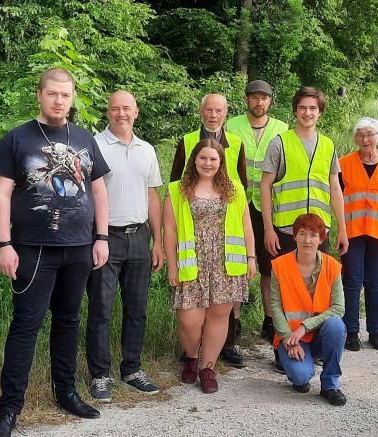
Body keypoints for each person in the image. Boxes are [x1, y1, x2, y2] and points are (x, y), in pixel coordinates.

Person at [0, 67, 110, 437]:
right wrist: (4, 244)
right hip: (32, 250)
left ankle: (66, 392)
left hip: (79, 248)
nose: (60, 101)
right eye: (53, 93)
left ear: (73, 99)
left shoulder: (85, 138)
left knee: (69, 322)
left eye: (66, 95)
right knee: (26, 327)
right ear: (39, 95)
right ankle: (9, 410)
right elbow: (1, 193)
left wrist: (101, 237)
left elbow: (100, 190)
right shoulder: (17, 139)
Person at [259, 86, 349, 372]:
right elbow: (265, 186)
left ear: (320, 113)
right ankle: (282, 344)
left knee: (314, 291)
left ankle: (316, 343)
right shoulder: (280, 143)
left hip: (317, 232)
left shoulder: (328, 145)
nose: (307, 113)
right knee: (285, 293)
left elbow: (335, 187)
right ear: (295, 110)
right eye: (302, 108)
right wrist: (268, 229)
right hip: (286, 230)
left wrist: (342, 229)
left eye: (313, 108)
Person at [85, 90, 163, 403]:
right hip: (105, 238)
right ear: (108, 112)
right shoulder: (94, 145)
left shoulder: (147, 149)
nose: (121, 114)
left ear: (136, 112)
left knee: (137, 309)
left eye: (127, 108)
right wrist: (95, 238)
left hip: (140, 237)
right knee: (101, 309)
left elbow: (153, 196)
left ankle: (131, 370)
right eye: (115, 109)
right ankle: (100, 375)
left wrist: (158, 241)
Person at [163, 139, 256, 394]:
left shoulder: (234, 189)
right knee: (189, 321)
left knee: (218, 317)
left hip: (226, 263)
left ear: (221, 162)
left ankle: (208, 368)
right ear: (194, 160)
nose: (208, 163)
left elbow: (246, 226)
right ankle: (192, 356)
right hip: (192, 261)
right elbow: (169, 230)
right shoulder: (177, 189)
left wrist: (251, 258)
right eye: (203, 158)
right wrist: (172, 266)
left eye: (213, 159)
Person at [170, 93, 249, 367]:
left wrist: (249, 254)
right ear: (201, 111)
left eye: (219, 110)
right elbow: (174, 182)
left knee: (220, 311)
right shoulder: (187, 140)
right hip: (193, 236)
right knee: (191, 314)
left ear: (226, 113)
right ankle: (191, 352)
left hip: (226, 236)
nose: (213, 115)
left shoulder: (237, 143)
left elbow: (242, 185)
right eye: (209, 110)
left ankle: (217, 356)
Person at [226, 80, 289, 343]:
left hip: (268, 206)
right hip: (237, 204)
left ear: (270, 101)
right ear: (246, 100)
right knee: (237, 264)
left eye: (264, 98)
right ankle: (234, 321)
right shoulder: (232, 125)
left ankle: (270, 320)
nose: (259, 102)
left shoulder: (282, 129)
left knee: (269, 267)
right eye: (254, 97)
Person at [338, 117, 378, 352]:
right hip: (352, 232)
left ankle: (376, 332)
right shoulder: (343, 164)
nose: (365, 139)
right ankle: (351, 332)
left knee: (374, 282)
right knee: (352, 281)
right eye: (361, 135)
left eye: (370, 134)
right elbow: (337, 199)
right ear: (355, 138)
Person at [270, 213, 347, 406]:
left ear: (321, 239)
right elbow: (276, 307)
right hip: (292, 338)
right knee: (300, 377)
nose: (307, 240)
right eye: (302, 234)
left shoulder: (332, 267)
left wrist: (305, 326)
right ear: (294, 236)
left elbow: (338, 308)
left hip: (320, 334)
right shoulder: (279, 266)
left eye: (313, 235)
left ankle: (330, 385)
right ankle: (301, 372)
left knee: (336, 325)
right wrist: (288, 338)